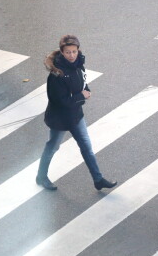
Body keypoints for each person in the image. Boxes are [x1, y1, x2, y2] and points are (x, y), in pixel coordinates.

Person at [36, 35, 117, 191]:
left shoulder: (79, 64)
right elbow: (60, 101)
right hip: (60, 119)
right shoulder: (56, 74)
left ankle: (98, 179)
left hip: (76, 115)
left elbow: (83, 82)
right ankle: (41, 176)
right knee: (52, 147)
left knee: (86, 147)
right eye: (68, 52)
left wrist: (86, 90)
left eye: (74, 51)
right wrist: (81, 96)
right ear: (61, 52)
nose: (72, 55)